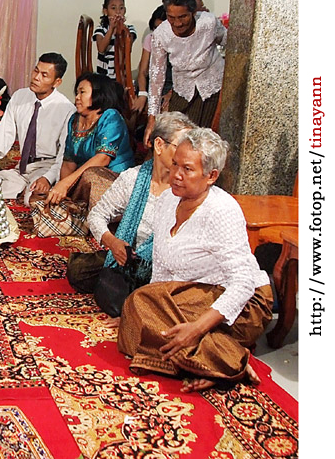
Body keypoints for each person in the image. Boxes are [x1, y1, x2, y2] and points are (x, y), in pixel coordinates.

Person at [117, 128, 272, 392]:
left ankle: (227, 362)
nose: (176, 174)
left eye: (187, 169)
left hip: (243, 305)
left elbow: (243, 284)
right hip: (189, 298)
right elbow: (161, 269)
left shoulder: (222, 210)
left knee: (141, 316)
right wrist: (145, 307)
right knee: (135, 312)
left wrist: (196, 329)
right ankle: (215, 359)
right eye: (175, 164)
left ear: (211, 176)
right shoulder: (168, 200)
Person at [71, 112, 197, 306]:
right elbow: (97, 215)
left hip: (166, 266)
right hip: (130, 255)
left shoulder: (187, 186)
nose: (185, 155)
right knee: (78, 271)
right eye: (180, 147)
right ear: (159, 145)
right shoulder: (133, 178)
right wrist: (113, 242)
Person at [0, 53, 75, 204]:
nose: (36, 77)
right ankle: (21, 189)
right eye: (36, 71)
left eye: (44, 75)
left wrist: (47, 178)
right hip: (22, 168)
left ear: (57, 82)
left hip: (47, 166)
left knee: (34, 198)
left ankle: (26, 191)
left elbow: (63, 156)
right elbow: (3, 137)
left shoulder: (66, 109)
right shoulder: (20, 96)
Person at [143, 0, 227, 145]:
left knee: (206, 143)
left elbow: (229, 42)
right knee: (176, 141)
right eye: (171, 17)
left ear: (194, 11)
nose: (177, 23)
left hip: (214, 88)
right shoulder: (161, 35)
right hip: (183, 91)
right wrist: (152, 118)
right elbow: (156, 78)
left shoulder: (208, 23)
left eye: (183, 17)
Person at [45, 73, 133, 214]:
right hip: (82, 181)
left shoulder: (110, 117)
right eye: (77, 93)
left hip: (113, 181)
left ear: (98, 94)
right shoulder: (74, 120)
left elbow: (103, 158)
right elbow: (69, 162)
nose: (77, 97)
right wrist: (60, 190)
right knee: (40, 197)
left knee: (91, 176)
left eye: (82, 92)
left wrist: (67, 183)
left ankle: (99, 218)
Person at [131, 6, 173, 115]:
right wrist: (143, 94)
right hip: (151, 82)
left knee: (166, 109)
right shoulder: (150, 39)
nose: (158, 33)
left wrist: (171, 93)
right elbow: (142, 71)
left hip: (171, 84)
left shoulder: (177, 42)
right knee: (135, 106)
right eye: (156, 28)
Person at [93, 0, 137, 80]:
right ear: (105, 11)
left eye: (121, 8)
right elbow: (101, 49)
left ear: (125, 10)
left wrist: (121, 28)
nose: (118, 12)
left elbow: (127, 49)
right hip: (103, 76)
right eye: (113, 8)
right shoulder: (101, 29)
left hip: (121, 76)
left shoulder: (130, 29)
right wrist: (111, 29)